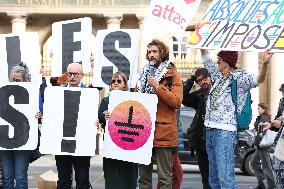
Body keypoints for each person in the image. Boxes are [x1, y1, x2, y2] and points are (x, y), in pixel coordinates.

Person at [200, 48, 273, 189]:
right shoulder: (217, 75)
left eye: (219, 60)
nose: (217, 62)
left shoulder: (240, 78)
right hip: (210, 131)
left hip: (224, 133)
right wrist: (201, 37)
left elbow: (259, 79)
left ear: (227, 62)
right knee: (213, 178)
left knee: (225, 177)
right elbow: (206, 59)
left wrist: (265, 63)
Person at [136, 39, 183, 189]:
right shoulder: (142, 74)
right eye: (149, 52)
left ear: (162, 53)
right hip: (143, 131)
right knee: (143, 178)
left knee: (164, 178)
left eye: (155, 51)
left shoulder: (172, 74)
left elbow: (176, 101)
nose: (151, 55)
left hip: (163, 132)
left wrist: (157, 86)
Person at [97, 71, 138, 189]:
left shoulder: (133, 99)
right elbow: (99, 117)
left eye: (119, 81)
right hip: (111, 144)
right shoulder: (105, 100)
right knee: (112, 175)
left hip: (129, 143)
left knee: (128, 175)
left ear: (124, 84)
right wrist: (103, 116)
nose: (115, 83)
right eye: (113, 81)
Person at [55, 62, 91, 189]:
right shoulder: (57, 93)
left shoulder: (90, 94)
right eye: (70, 74)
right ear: (66, 75)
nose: (73, 76)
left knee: (82, 179)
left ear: (82, 75)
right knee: (63, 178)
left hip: (82, 142)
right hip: (62, 141)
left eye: (76, 74)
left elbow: (93, 115)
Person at [0, 63, 32, 189]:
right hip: (4, 140)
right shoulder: (2, 92)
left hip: (23, 142)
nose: (14, 82)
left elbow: (40, 109)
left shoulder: (32, 93)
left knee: (20, 177)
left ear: (25, 80)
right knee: (7, 177)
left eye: (17, 80)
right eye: (12, 79)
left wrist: (38, 114)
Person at [182, 68, 212, 189]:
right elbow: (183, 98)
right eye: (199, 80)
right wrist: (191, 79)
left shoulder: (219, 93)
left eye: (205, 78)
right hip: (201, 142)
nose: (202, 82)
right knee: (205, 179)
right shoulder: (199, 95)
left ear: (210, 77)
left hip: (215, 141)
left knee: (217, 177)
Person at [251, 103, 276, 189]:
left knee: (266, 166)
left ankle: (271, 186)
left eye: (259, 108)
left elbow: (262, 132)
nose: (257, 109)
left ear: (263, 109)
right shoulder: (262, 117)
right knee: (253, 162)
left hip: (263, 145)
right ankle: (261, 183)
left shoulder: (264, 117)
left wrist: (256, 143)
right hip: (261, 145)